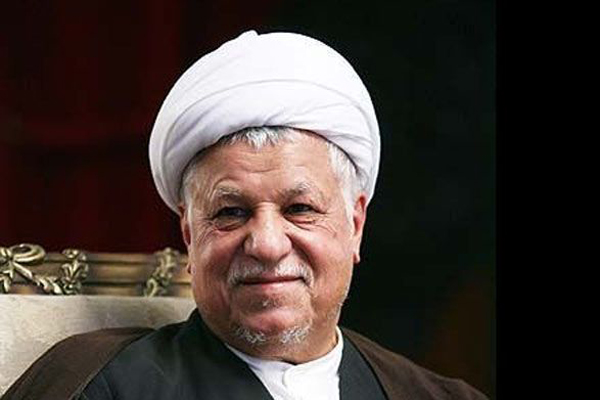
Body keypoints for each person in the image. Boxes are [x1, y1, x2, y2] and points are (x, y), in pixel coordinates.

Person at [3, 31, 488, 400]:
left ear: (355, 225)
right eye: (231, 213)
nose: (268, 244)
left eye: (300, 209)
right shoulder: (98, 386)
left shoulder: (432, 395)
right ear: (190, 235)